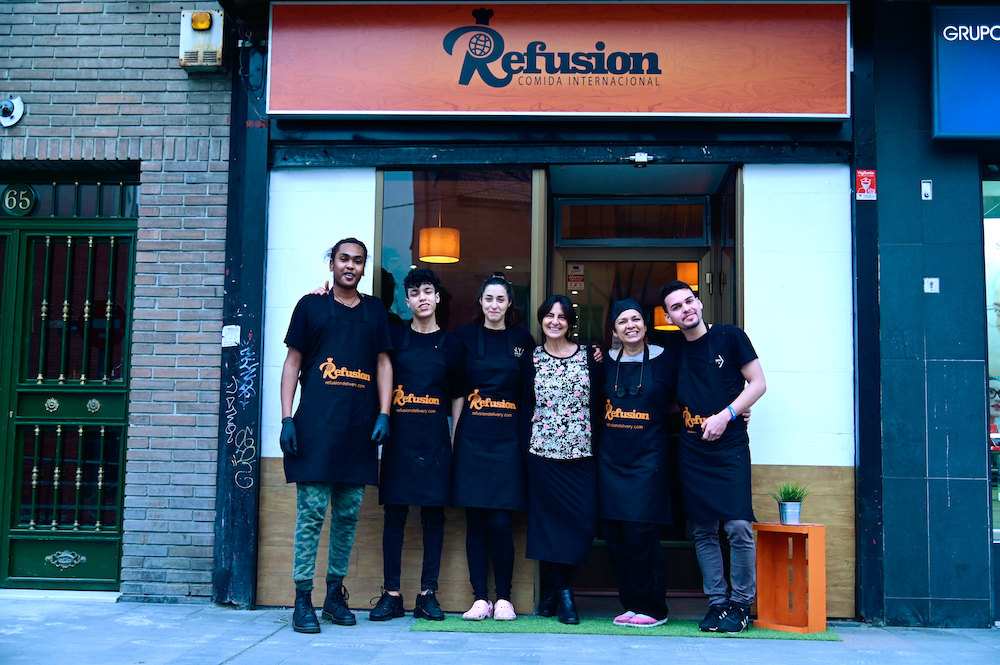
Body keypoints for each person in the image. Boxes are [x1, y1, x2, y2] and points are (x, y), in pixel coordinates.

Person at [279, 238, 393, 633]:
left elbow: (383, 364)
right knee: (311, 514)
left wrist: (384, 413)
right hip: (314, 428)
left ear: (364, 268)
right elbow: (292, 363)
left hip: (359, 431)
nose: (350, 266)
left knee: (347, 516)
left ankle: (333, 595)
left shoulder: (375, 311)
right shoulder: (310, 306)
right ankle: (302, 599)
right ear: (332, 263)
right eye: (344, 259)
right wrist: (286, 418)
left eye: (358, 261)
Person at [660, 280, 766, 635]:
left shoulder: (730, 336)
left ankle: (741, 605)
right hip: (692, 450)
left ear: (700, 303)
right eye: (676, 307)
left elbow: (758, 383)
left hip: (730, 446)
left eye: (689, 301)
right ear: (669, 317)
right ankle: (717, 603)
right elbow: (665, 399)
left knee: (737, 526)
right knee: (703, 529)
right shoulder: (673, 353)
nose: (686, 309)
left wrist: (729, 414)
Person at [370, 268, 457, 622]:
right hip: (400, 438)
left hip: (435, 440)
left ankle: (427, 594)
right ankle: (391, 594)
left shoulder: (452, 344)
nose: (422, 298)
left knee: (433, 516)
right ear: (406, 301)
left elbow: (458, 397)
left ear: (437, 297)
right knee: (394, 515)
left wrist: (454, 440)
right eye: (415, 293)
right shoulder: (394, 336)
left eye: (428, 291)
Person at [450, 271, 535, 621]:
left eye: (501, 299)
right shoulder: (464, 338)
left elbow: (531, 393)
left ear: (509, 303)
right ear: (480, 302)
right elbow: (457, 391)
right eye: (489, 299)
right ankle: (480, 599)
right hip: (472, 440)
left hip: (509, 443)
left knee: (501, 522)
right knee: (476, 521)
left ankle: (504, 599)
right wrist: (454, 438)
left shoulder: (523, 340)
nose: (494, 305)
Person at [526, 295, 603, 625]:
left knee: (583, 524)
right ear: (541, 319)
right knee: (550, 526)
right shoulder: (530, 358)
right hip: (542, 453)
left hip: (582, 453)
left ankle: (552, 595)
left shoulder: (589, 356)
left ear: (570, 322)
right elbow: (524, 402)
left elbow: (603, 398)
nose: (555, 321)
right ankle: (565, 596)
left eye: (561, 316)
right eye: (549, 315)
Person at [598, 299, 674, 628]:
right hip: (611, 459)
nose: (630, 325)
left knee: (641, 533)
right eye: (622, 321)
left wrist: (736, 409)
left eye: (636, 319)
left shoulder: (666, 359)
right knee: (615, 534)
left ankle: (654, 607)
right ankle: (630, 603)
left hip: (648, 460)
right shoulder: (603, 362)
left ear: (645, 324)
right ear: (614, 330)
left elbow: (688, 395)